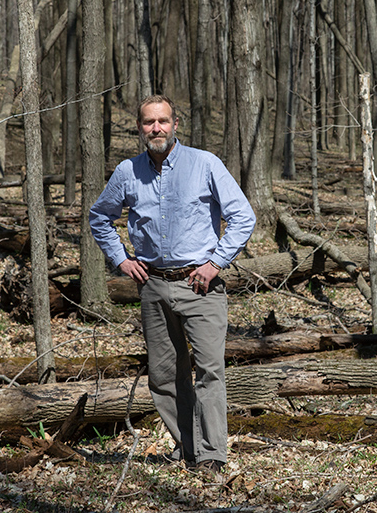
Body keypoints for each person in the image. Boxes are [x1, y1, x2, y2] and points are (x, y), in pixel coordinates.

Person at [89, 95, 256, 474]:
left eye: (163, 121)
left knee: (210, 372)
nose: (156, 129)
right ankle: (187, 448)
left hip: (200, 287)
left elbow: (243, 217)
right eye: (149, 122)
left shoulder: (205, 164)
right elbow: (100, 217)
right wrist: (120, 259)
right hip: (153, 286)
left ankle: (212, 455)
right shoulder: (128, 172)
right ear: (139, 127)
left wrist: (216, 263)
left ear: (175, 124)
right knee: (165, 375)